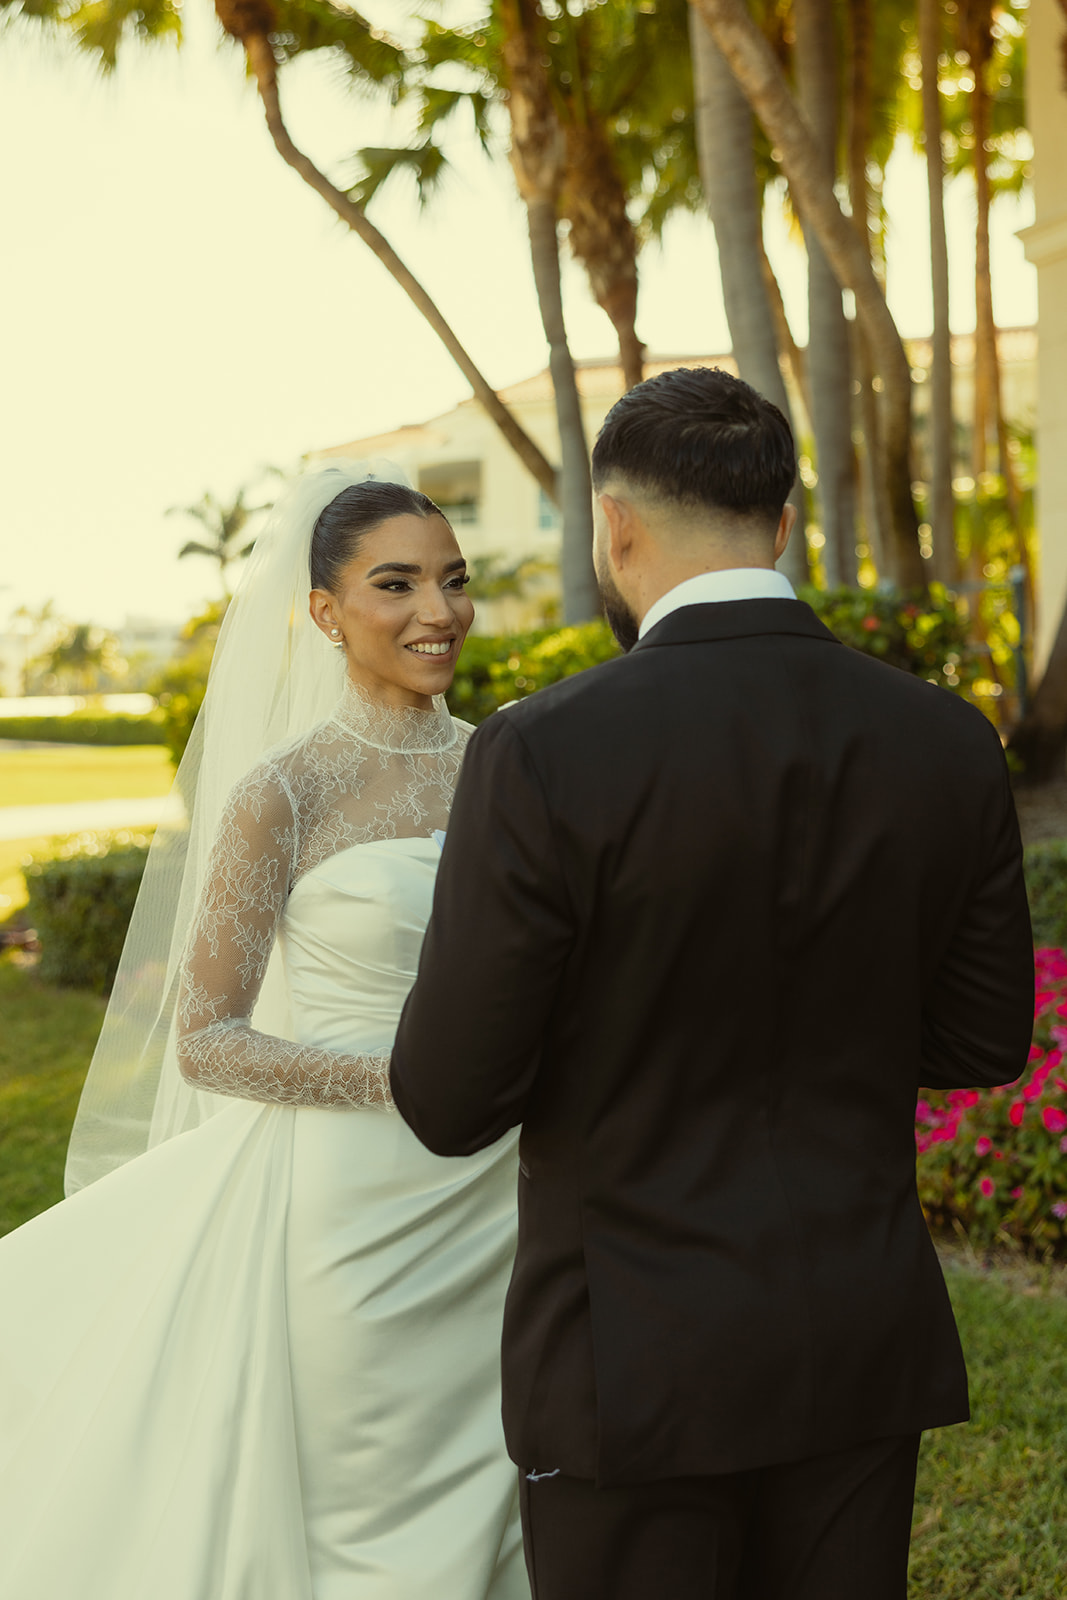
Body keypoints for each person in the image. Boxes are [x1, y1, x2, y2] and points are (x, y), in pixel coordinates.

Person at [389, 367, 1036, 1600]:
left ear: (614, 526)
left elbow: (447, 1097)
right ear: (781, 527)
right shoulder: (944, 737)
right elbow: (980, 1036)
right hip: (852, 1337)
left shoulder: (541, 749)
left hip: (627, 1359)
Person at [0, 466, 527, 1600]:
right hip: (353, 1209)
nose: (436, 612)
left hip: (506, 1194)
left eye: (451, 581)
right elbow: (208, 1039)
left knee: (507, 1490)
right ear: (324, 611)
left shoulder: (509, 766)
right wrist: (411, 1077)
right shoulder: (282, 793)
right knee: (365, 1498)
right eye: (395, 584)